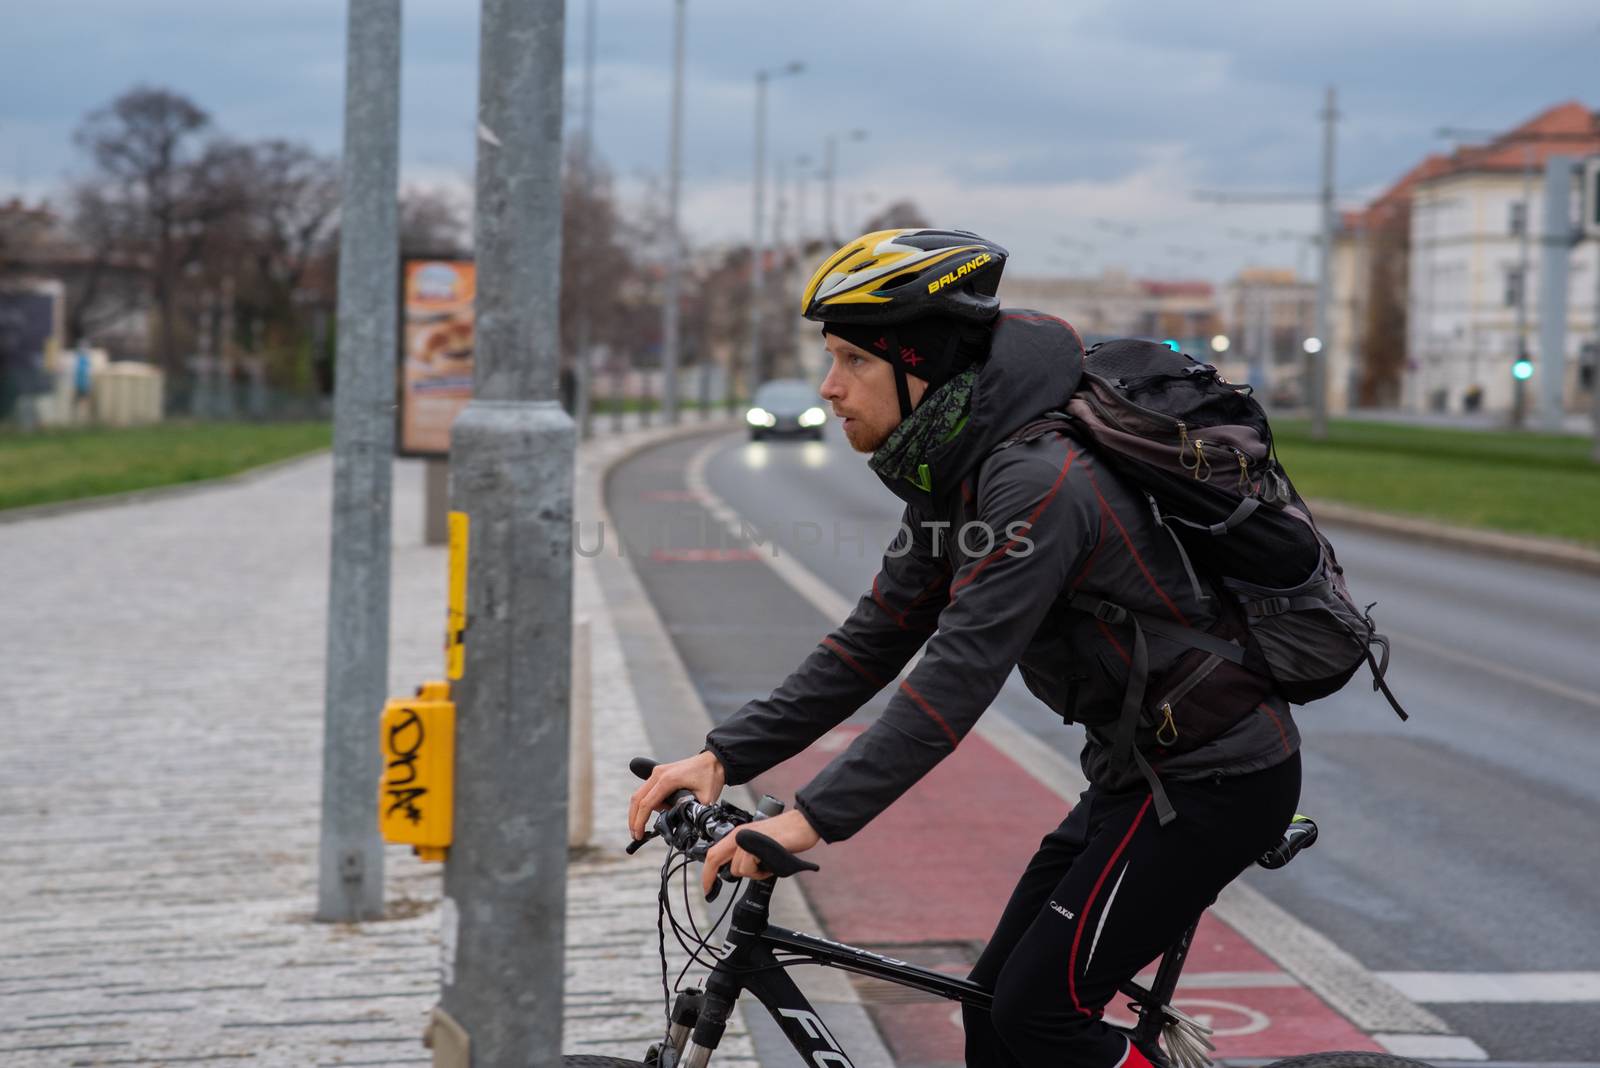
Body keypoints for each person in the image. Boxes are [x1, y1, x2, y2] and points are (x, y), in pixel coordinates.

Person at [628, 228, 1302, 1068]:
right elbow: (877, 636)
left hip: (1216, 782)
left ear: (923, 366)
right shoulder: (960, 463)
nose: (829, 387)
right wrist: (723, 755)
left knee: (1037, 1020)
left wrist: (811, 819)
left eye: (852, 361)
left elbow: (957, 676)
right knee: (993, 1018)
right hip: (1136, 777)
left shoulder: (1035, 483)